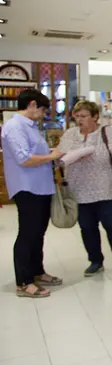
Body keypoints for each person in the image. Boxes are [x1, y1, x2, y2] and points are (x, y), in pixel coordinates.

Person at [58, 101, 112, 277]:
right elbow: (60, 157)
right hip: (79, 191)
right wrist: (71, 158)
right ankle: (95, 261)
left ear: (95, 117)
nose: (79, 120)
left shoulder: (106, 132)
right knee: (87, 228)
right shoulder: (70, 135)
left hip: (106, 188)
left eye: (84, 116)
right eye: (77, 116)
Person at [2, 89, 64, 298]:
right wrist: (51, 156)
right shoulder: (14, 127)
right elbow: (24, 159)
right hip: (27, 187)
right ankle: (23, 281)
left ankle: (37, 271)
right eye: (42, 109)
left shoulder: (31, 126)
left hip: (41, 186)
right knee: (28, 234)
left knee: (38, 232)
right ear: (31, 105)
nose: (43, 113)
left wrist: (52, 156)